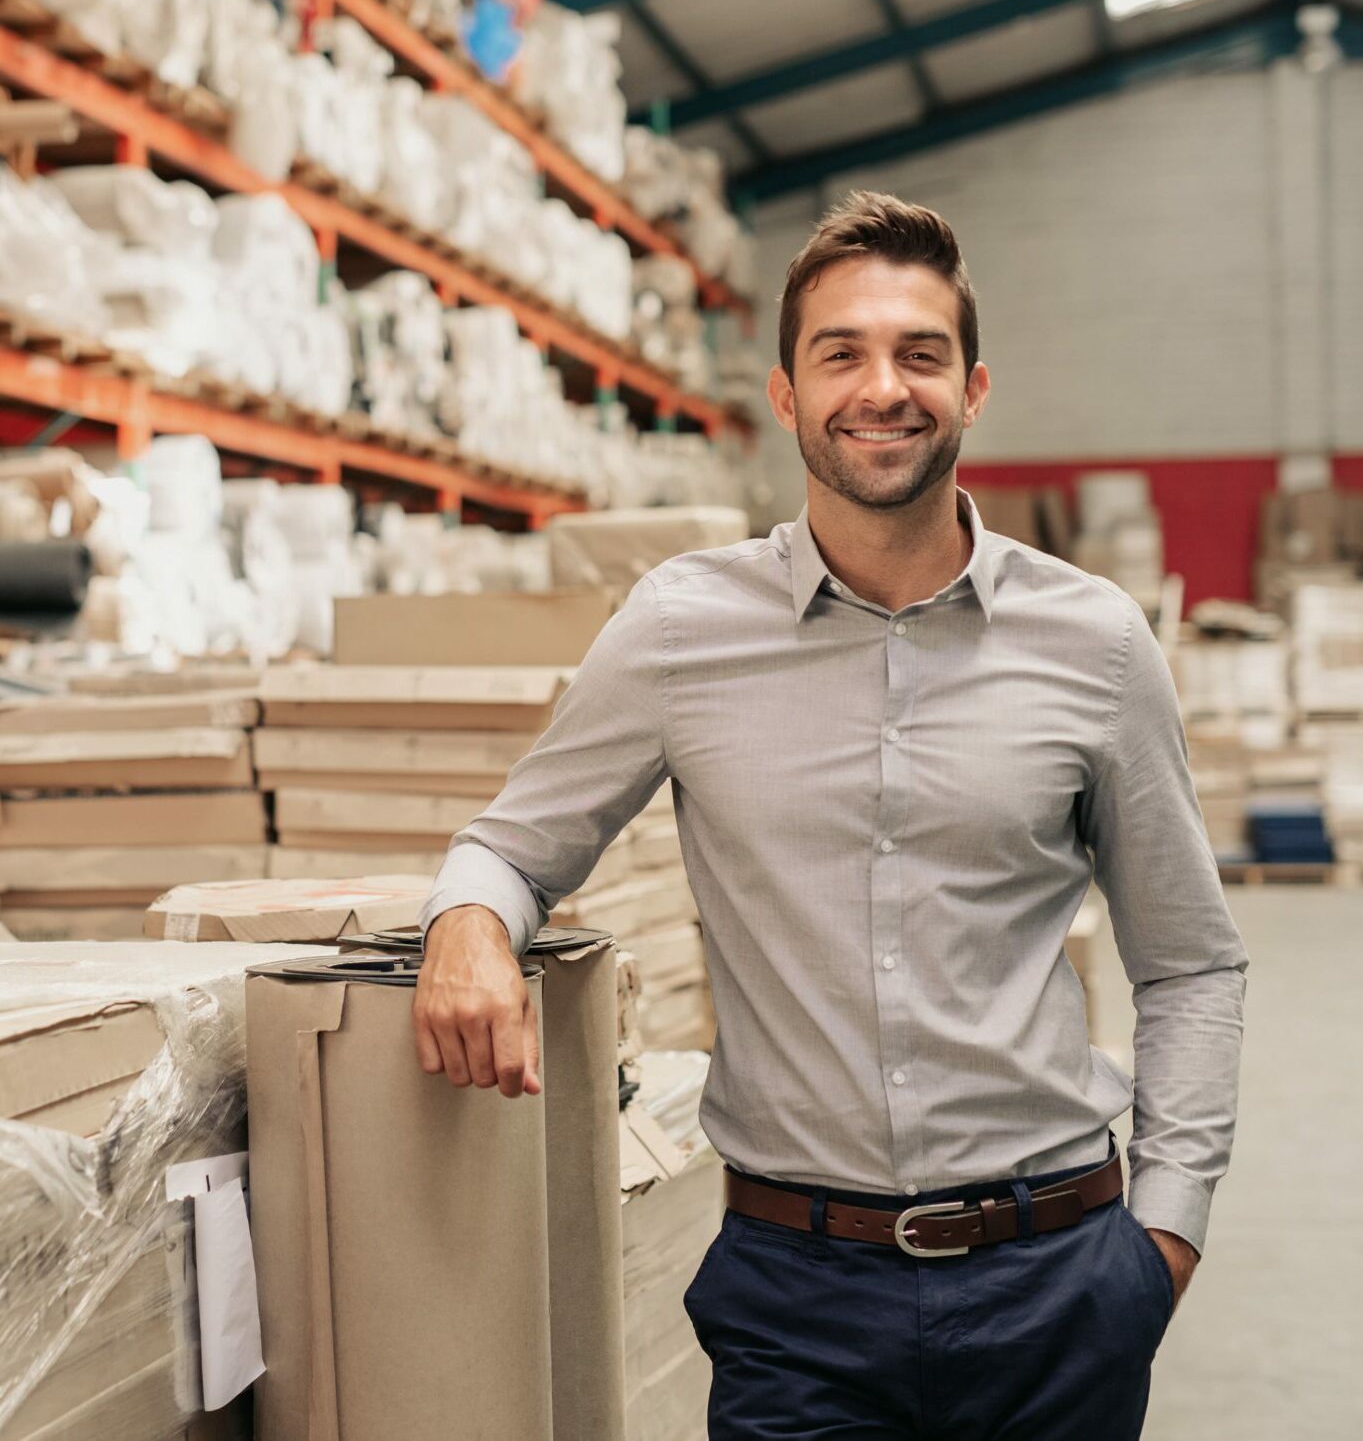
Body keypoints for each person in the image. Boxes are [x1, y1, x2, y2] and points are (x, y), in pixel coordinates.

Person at [413, 190, 1249, 1440]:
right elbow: (512, 844)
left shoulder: (1093, 642)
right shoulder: (681, 628)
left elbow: (1188, 959)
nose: (882, 387)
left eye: (919, 354)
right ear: (786, 394)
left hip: (1055, 1278)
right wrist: (468, 922)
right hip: (798, 1292)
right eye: (840, 353)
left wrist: (1163, 1237)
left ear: (970, 390)